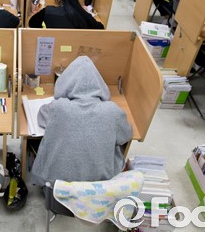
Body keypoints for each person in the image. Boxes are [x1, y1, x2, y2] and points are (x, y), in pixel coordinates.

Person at [30, 56, 132, 186]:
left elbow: (41, 117)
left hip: (58, 185)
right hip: (101, 185)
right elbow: (126, 135)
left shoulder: (59, 108)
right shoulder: (112, 111)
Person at [29, 0, 104, 29]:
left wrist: (36, 13)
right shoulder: (84, 15)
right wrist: (83, 12)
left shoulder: (48, 11)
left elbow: (32, 23)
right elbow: (100, 27)